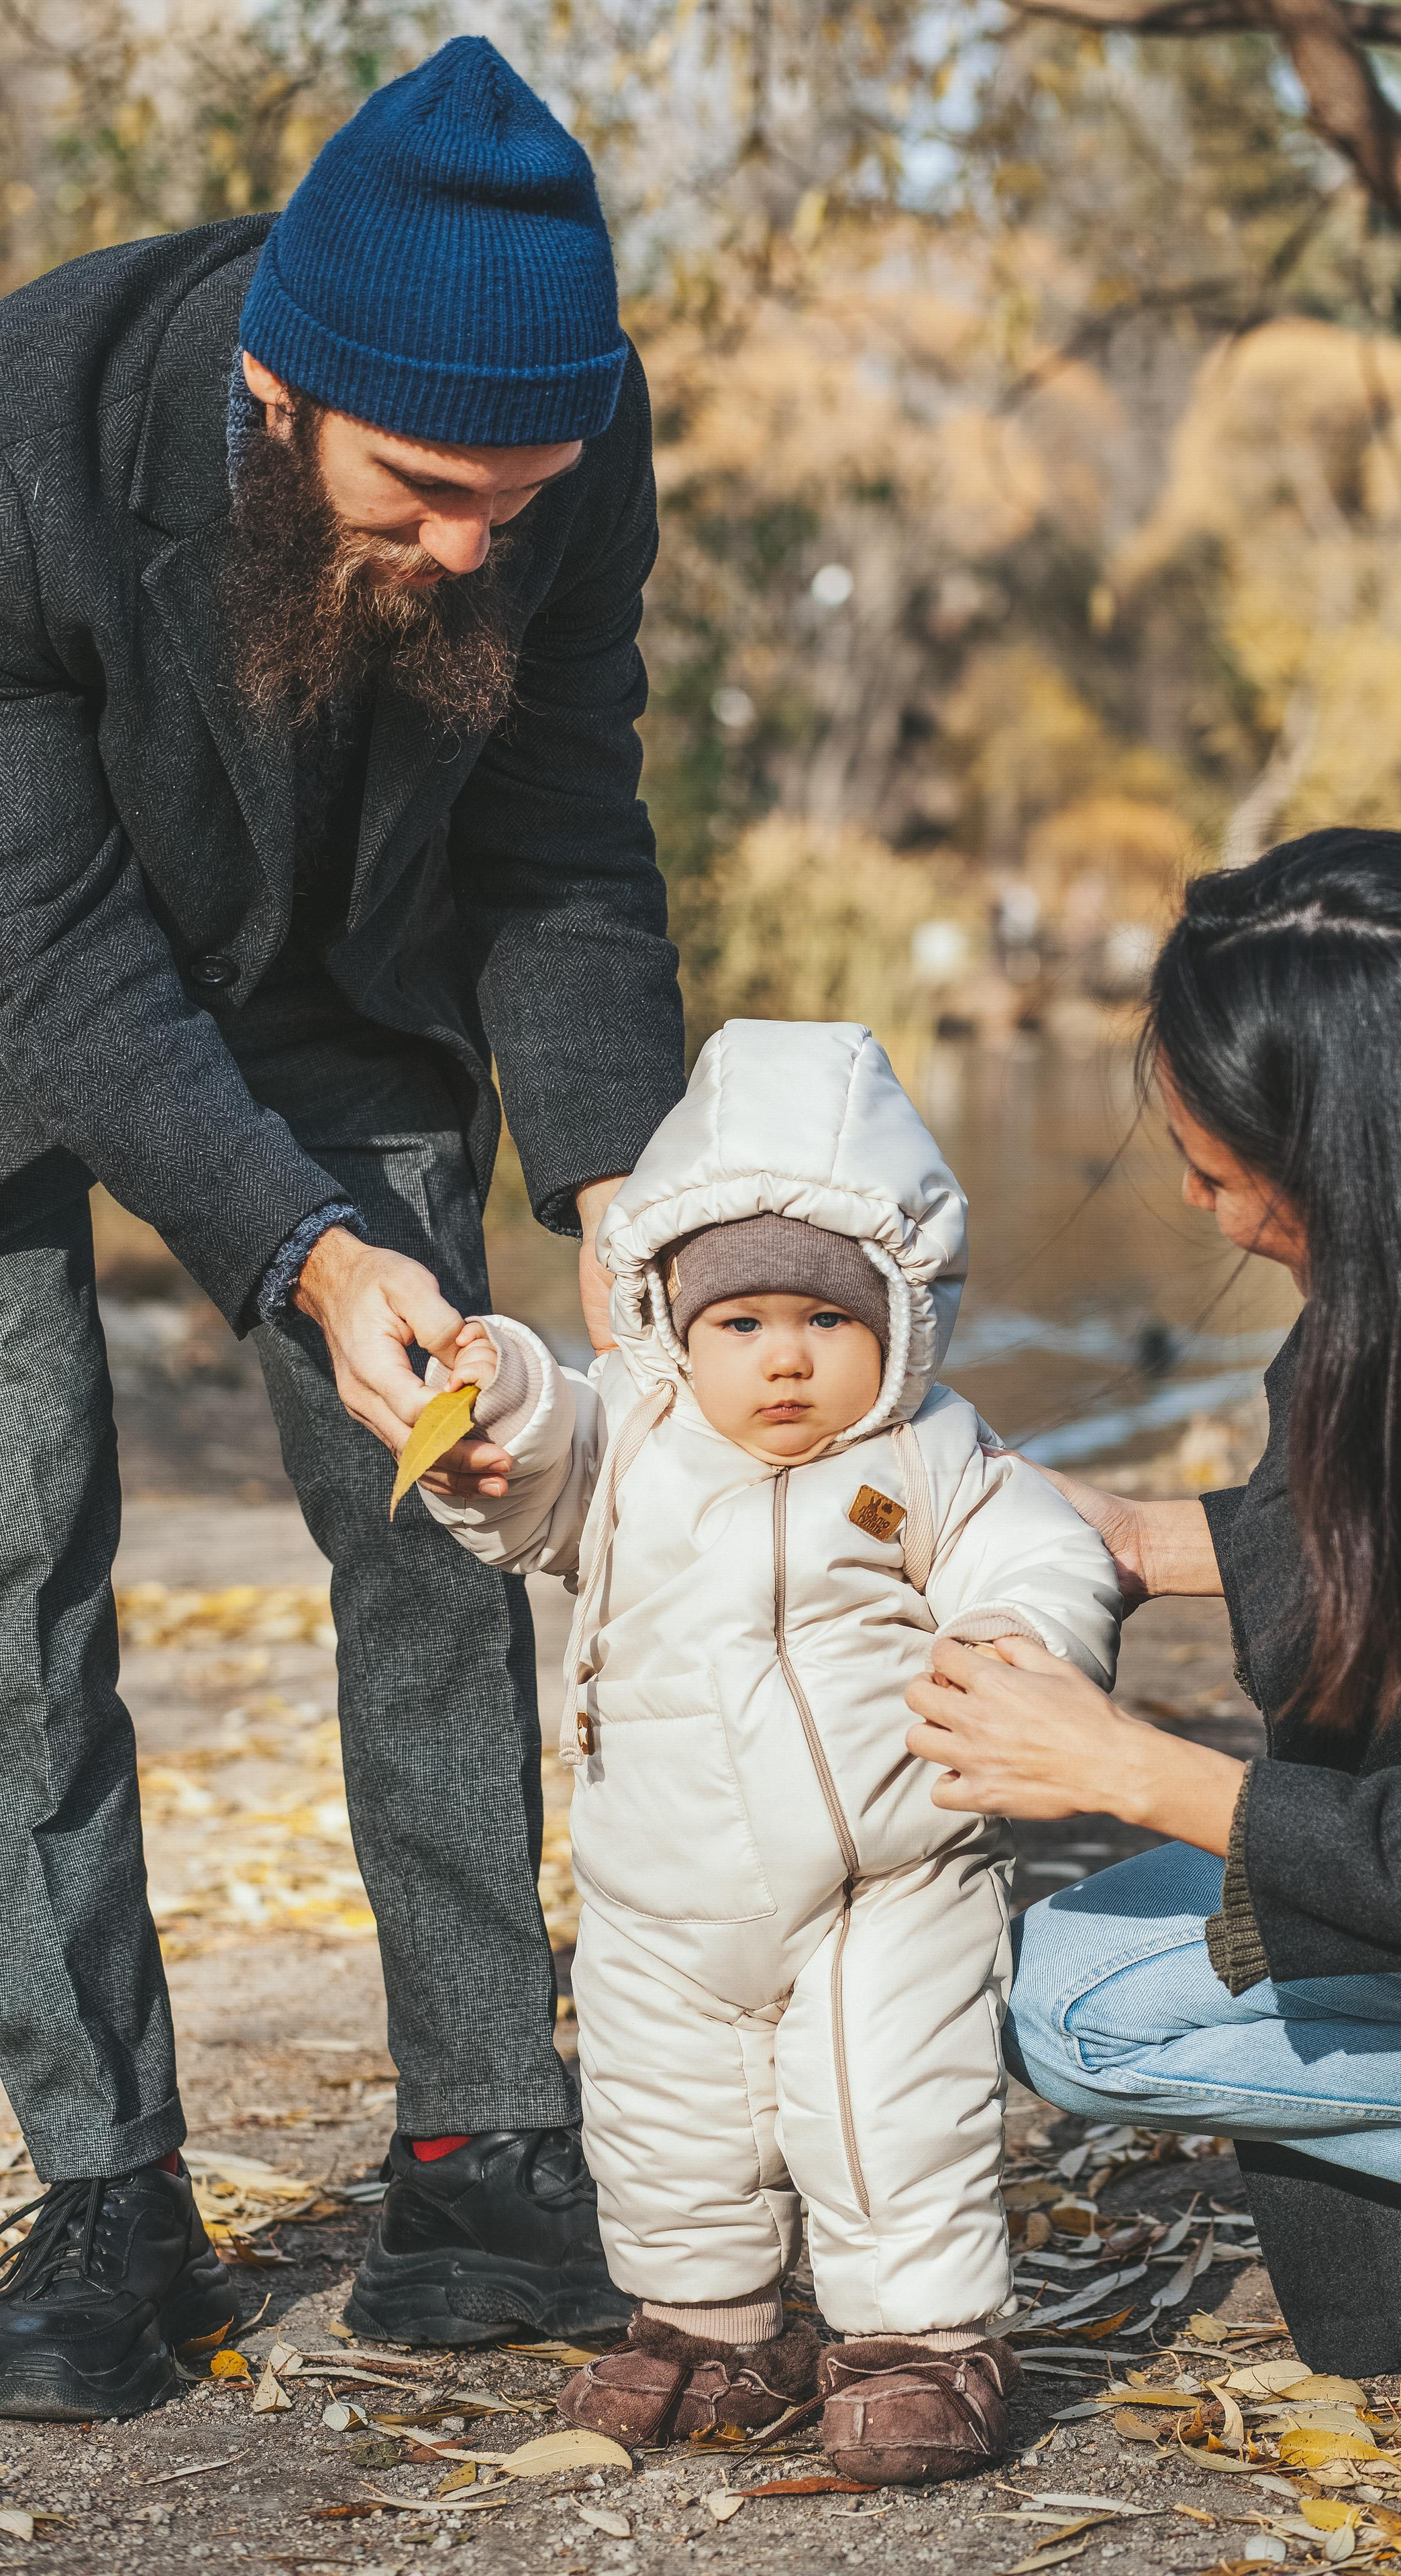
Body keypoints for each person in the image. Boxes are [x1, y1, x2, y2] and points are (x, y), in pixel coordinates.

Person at [0, 36, 685, 2416]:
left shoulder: (555, 465)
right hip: (16, 984)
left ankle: (485, 2145)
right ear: (281, 396)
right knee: (21, 1568)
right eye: (429, 493)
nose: (480, 544)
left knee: (447, 1517)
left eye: (529, 492)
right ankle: (108, 2190)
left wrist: (624, 1189)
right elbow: (60, 958)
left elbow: (567, 832)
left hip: (338, 993)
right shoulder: (37, 423)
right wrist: (301, 1250)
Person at [905, 830, 1401, 2573]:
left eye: (1217, 1172)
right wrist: (1128, 1536)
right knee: (1079, 1996)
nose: (1198, 1207)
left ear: (1379, 1166)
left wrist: (1138, 1771)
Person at [411, 1018, 1121, 2484]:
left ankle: (922, 2345)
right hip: (659, 1889)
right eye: (740, 1327)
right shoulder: (633, 1442)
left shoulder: (930, 1452)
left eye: (825, 1322)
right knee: (669, 2117)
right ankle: (713, 2327)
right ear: (673, 1325)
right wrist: (499, 1402)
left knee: (888, 2112)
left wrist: (1017, 1645)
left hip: (888, 1874)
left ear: (901, 1324)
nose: (783, 1363)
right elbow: (533, 1478)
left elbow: (1041, 1555)